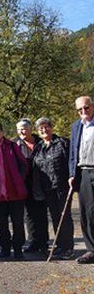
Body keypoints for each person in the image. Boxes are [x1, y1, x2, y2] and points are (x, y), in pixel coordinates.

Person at [0, 122, 28, 259]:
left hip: (15, 191)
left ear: (2, 131)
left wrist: (19, 179)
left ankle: (18, 248)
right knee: (2, 223)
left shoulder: (12, 146)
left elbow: (24, 164)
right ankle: (5, 248)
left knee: (18, 222)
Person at [32, 117, 74, 259]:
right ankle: (60, 245)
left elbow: (71, 162)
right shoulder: (39, 147)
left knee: (64, 216)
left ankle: (68, 247)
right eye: (40, 128)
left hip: (62, 185)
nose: (44, 130)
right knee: (55, 217)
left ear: (51, 127)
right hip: (47, 187)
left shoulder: (62, 143)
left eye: (46, 127)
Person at [13, 118, 48, 254]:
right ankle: (33, 241)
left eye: (24, 128)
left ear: (30, 129)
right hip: (24, 181)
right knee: (29, 214)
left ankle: (43, 242)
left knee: (41, 212)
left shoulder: (40, 142)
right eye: (19, 129)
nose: (22, 131)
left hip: (41, 180)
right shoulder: (15, 144)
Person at [69, 96, 94, 264]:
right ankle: (91, 249)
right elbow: (73, 152)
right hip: (84, 171)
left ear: (92, 106)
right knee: (86, 212)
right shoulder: (76, 126)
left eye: (86, 107)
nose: (83, 112)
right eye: (80, 110)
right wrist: (72, 174)